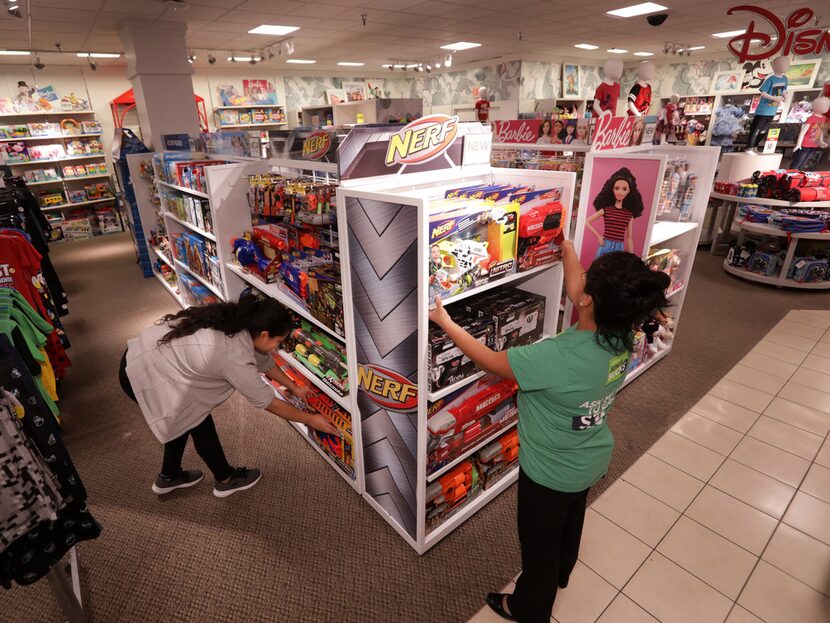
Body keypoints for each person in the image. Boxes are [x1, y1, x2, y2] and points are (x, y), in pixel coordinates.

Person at [428, 244, 671, 623]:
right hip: (589, 457)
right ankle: (564, 570)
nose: (579, 277)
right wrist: (568, 250)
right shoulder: (622, 337)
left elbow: (488, 359)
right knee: (572, 519)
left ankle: (528, 608)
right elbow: (577, 281)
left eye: (585, 276)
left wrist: (445, 322)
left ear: (586, 298)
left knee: (538, 546)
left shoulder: (552, 357)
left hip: (547, 471)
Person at [119, 295, 338, 498]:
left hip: (147, 356)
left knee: (182, 418)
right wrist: (310, 419)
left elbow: (263, 359)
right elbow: (270, 404)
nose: (277, 348)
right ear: (264, 334)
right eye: (278, 342)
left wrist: (293, 386)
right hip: (143, 374)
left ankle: (169, 476)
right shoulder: (234, 355)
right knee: (196, 419)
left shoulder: (241, 324)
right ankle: (226, 479)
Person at [584, 167, 644, 258]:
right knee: (599, 269)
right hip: (605, 244)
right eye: (617, 188)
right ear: (612, 190)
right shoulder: (606, 210)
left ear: (629, 191)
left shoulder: (629, 215)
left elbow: (629, 238)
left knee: (615, 270)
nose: (620, 192)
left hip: (619, 247)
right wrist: (598, 237)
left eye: (624, 189)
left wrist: (632, 259)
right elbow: (587, 221)